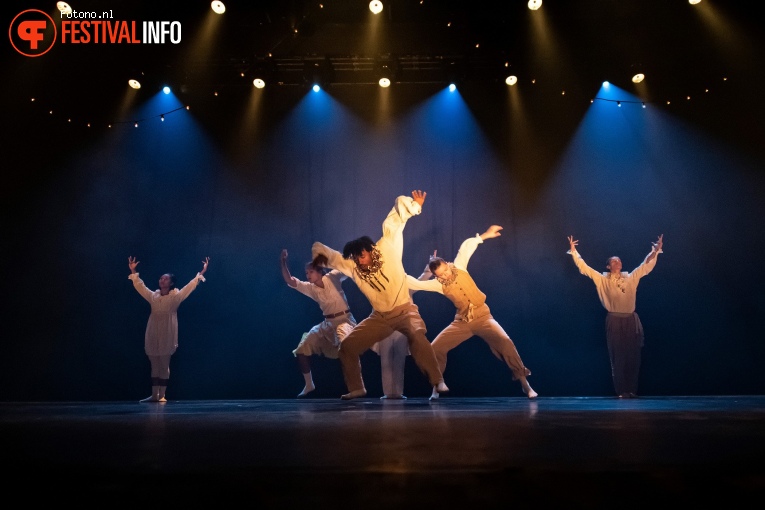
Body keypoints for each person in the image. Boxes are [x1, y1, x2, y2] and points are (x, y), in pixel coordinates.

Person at [312, 190, 449, 400]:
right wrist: (319, 255)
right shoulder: (354, 266)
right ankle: (357, 388)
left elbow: (394, 221)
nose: (360, 261)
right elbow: (335, 258)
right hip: (380, 317)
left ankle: (437, 380)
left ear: (370, 250)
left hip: (404, 310)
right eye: (356, 259)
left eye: (362, 256)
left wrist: (414, 207)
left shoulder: (386, 247)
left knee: (416, 336)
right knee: (347, 347)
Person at [407, 226, 537, 400]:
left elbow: (466, 247)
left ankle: (525, 384)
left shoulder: (459, 267)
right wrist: (421, 273)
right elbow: (417, 285)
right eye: (440, 275)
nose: (445, 276)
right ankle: (436, 386)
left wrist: (485, 235)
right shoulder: (438, 284)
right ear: (436, 276)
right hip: (462, 322)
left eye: (445, 271)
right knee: (435, 348)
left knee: (505, 342)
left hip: (483, 317)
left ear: (447, 264)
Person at [567, 234, 664, 399]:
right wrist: (575, 252)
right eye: (613, 261)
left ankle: (632, 390)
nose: (617, 262)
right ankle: (621, 391)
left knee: (633, 356)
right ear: (608, 266)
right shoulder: (602, 279)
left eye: (618, 260)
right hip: (614, 319)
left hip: (631, 319)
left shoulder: (630, 277)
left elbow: (645, 265)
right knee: (618, 356)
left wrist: (655, 250)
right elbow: (585, 268)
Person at [128, 256, 209, 403]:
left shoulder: (175, 297)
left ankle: (162, 395)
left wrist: (201, 272)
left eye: (165, 279)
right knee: (154, 361)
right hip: (153, 328)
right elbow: (141, 287)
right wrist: (133, 271)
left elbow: (189, 286)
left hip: (167, 330)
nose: (162, 280)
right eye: (161, 278)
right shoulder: (154, 296)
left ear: (171, 282)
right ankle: (154, 395)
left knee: (164, 362)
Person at [280, 248, 357, 397]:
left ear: (319, 271)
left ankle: (354, 386)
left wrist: (350, 255)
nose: (308, 275)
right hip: (328, 323)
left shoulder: (332, 277)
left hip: (345, 320)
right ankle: (309, 384)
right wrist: (283, 261)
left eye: (310, 272)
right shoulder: (311, 288)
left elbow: (346, 266)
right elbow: (289, 280)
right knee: (302, 349)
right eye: (307, 273)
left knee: (346, 348)